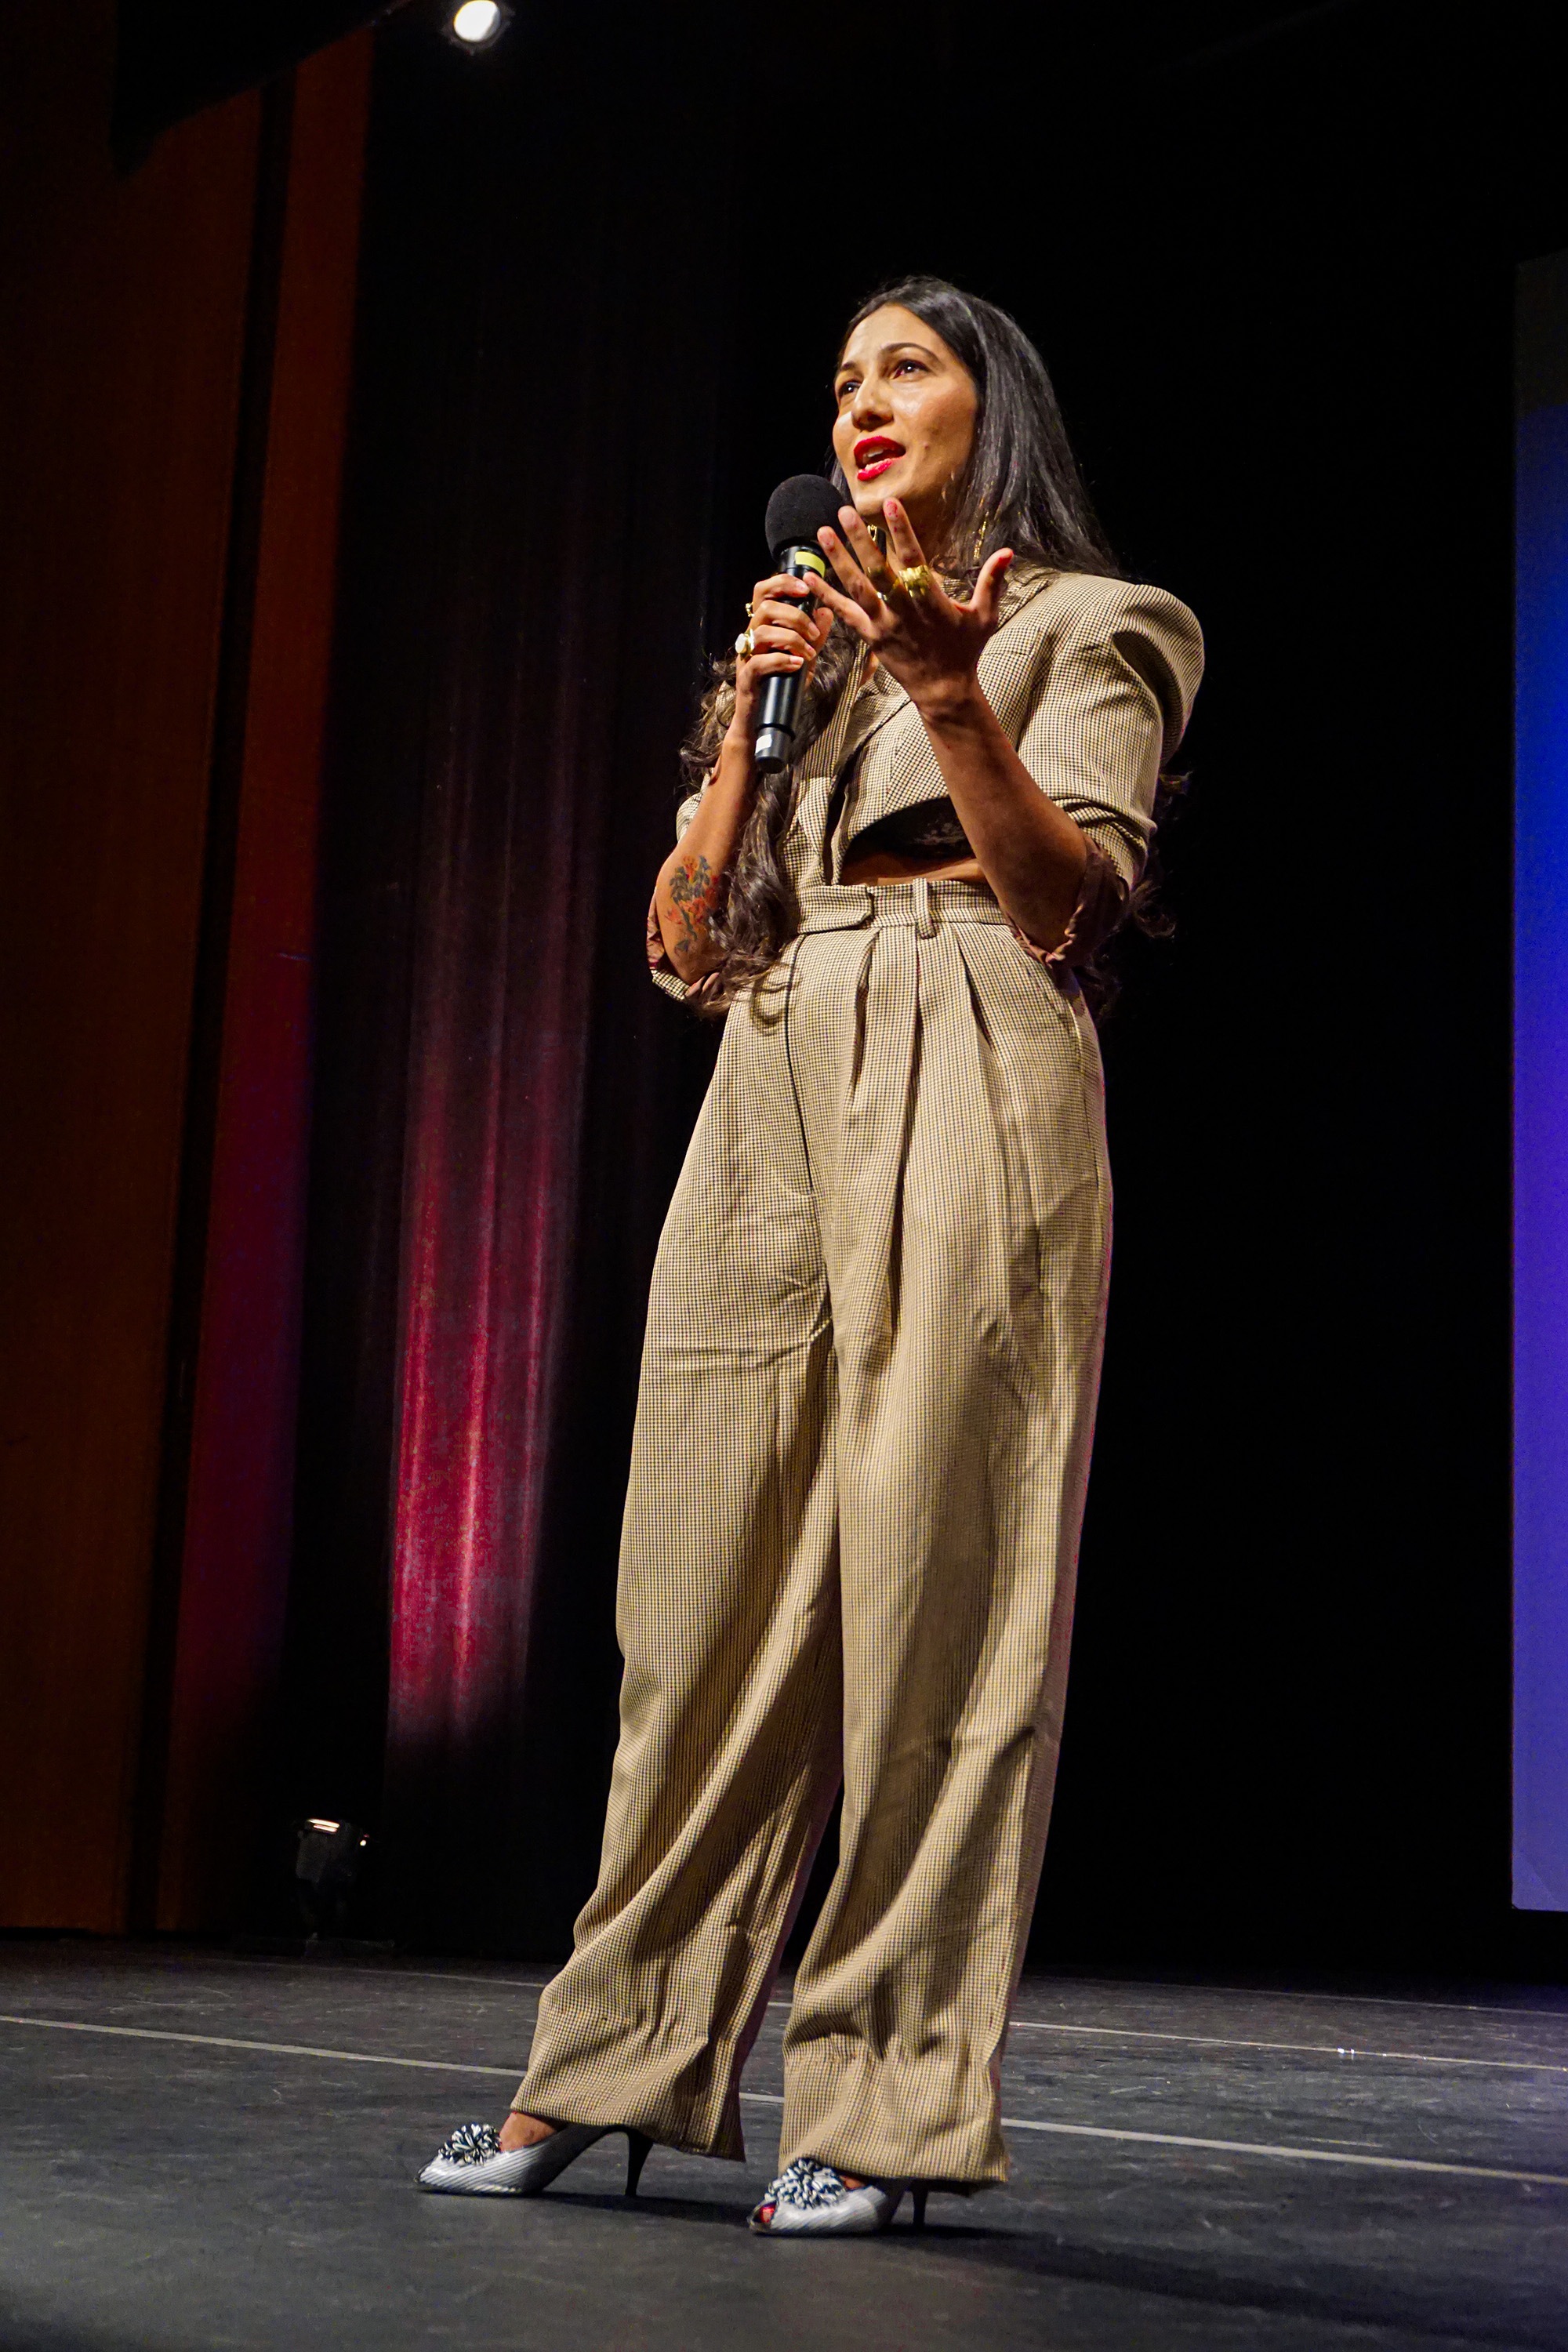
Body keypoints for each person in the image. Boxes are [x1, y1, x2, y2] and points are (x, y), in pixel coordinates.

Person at [420, 275, 1203, 2235]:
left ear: (985, 407)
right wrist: (754, 744)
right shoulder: (798, 659)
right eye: (841, 377)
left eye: (904, 368)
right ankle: (604, 2065)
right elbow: (689, 944)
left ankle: (884, 2102)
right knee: (691, 1609)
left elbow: (1069, 903)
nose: (860, 402)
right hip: (778, 1052)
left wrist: (950, 687)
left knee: (942, 1591)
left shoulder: (1101, 626)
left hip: (977, 1031)